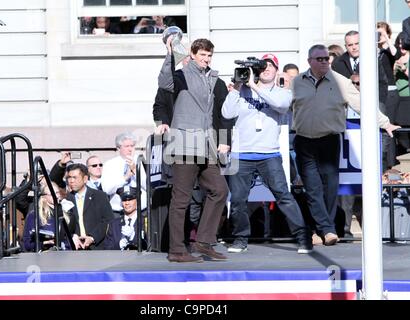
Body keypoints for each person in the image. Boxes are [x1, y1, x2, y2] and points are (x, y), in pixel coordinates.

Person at [291, 44, 400, 246]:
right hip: (304, 141)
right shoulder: (297, 82)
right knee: (313, 188)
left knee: (331, 187)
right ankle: (327, 230)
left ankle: (324, 228)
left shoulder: (340, 82)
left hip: (329, 140)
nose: (324, 62)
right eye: (320, 59)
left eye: (326, 59)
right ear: (309, 61)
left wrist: (384, 122)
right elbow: (283, 105)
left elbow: (363, 103)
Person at [222, 53, 312, 254]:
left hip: (268, 154)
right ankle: (239, 239)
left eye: (270, 66)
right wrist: (236, 88)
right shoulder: (242, 90)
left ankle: (302, 238)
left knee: (283, 197)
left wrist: (255, 87)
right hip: (241, 153)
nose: (266, 69)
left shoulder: (283, 92)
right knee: (237, 200)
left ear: (277, 70)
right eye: (263, 66)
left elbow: (280, 106)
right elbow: (227, 114)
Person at [158, 37, 230, 263]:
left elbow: (221, 113)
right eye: (202, 55)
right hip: (185, 143)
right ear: (192, 55)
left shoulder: (214, 78)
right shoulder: (180, 75)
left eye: (209, 56)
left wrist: (224, 140)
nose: (206, 59)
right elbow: (164, 83)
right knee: (181, 199)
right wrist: (170, 53)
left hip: (207, 144)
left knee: (220, 190)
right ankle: (177, 250)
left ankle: (204, 241)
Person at [65, 163, 113, 250]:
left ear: (85, 179)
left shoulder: (99, 196)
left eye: (75, 177)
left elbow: (108, 220)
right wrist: (73, 236)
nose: (71, 181)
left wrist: (92, 237)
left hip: (97, 247)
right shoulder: (66, 199)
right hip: (75, 247)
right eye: (69, 177)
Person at [101, 132, 147, 217]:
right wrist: (125, 178)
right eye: (126, 146)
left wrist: (135, 171)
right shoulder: (109, 164)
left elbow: (148, 186)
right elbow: (107, 189)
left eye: (132, 146)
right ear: (118, 148)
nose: (130, 149)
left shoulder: (141, 161)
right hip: (118, 213)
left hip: (140, 212)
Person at [22, 183, 69, 252]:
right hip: (44, 255)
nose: (55, 196)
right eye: (51, 194)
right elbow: (27, 243)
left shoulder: (66, 213)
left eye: (57, 192)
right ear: (44, 197)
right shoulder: (34, 216)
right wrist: (44, 243)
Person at [105, 186, 146, 250]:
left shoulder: (146, 222)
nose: (127, 203)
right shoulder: (113, 224)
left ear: (137, 200)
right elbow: (107, 248)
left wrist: (133, 237)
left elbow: (149, 245)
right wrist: (119, 245)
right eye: (124, 200)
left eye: (130, 200)